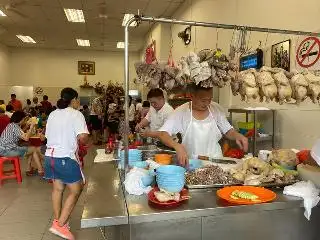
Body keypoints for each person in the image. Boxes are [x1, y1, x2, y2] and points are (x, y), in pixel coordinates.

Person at [149, 84, 248, 167]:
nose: (207, 103)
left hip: (216, 163)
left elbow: (228, 131)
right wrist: (176, 146)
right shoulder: (181, 111)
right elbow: (163, 134)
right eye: (203, 100)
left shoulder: (216, 109)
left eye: (210, 99)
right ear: (192, 96)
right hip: (192, 164)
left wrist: (237, 135)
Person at [44, 88, 89, 240]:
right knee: (77, 189)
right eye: (78, 100)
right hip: (65, 158)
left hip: (49, 157)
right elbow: (82, 137)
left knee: (58, 189)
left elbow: (47, 136)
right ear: (74, 99)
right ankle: (60, 225)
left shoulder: (52, 113)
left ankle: (60, 221)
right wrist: (85, 139)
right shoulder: (76, 114)